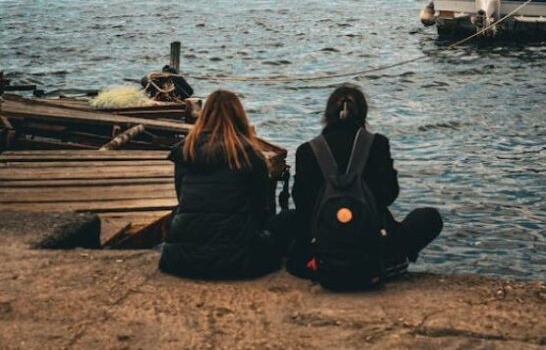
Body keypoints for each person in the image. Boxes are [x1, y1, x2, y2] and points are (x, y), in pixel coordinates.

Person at [288, 83, 443, 280]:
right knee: (429, 217)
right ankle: (392, 259)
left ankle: (315, 261)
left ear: (327, 115)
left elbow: (303, 203)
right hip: (372, 242)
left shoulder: (307, 150)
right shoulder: (377, 143)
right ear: (363, 114)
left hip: (322, 247)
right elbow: (389, 194)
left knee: (286, 218)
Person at [159, 89, 283, 279]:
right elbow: (260, 211)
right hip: (239, 260)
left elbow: (182, 199)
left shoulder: (185, 151)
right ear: (240, 117)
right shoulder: (251, 156)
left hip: (181, 259)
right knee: (284, 224)